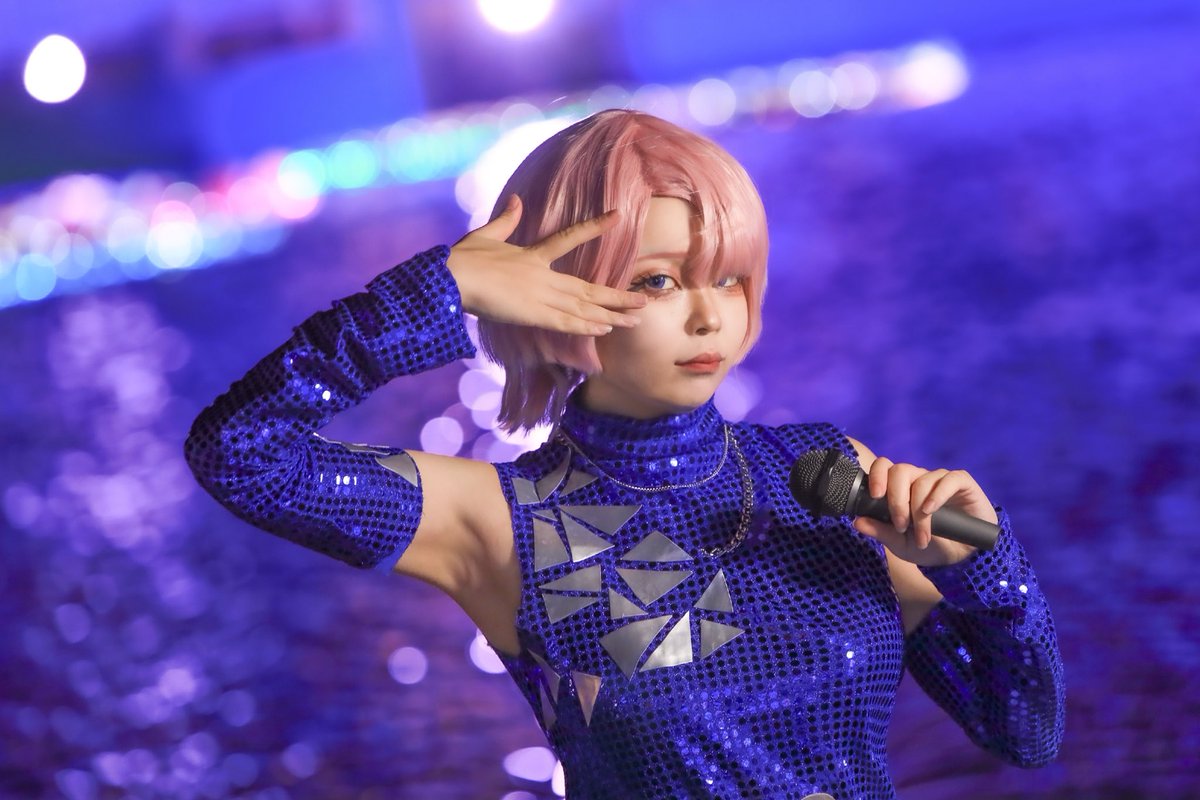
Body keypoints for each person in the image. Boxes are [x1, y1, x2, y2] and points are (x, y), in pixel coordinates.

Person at [184, 110, 1065, 799]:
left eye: (727, 275)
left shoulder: (822, 474)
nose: (709, 315)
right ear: (552, 291)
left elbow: (1025, 732)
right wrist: (441, 293)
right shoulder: (503, 522)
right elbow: (240, 453)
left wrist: (985, 569)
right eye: (658, 280)